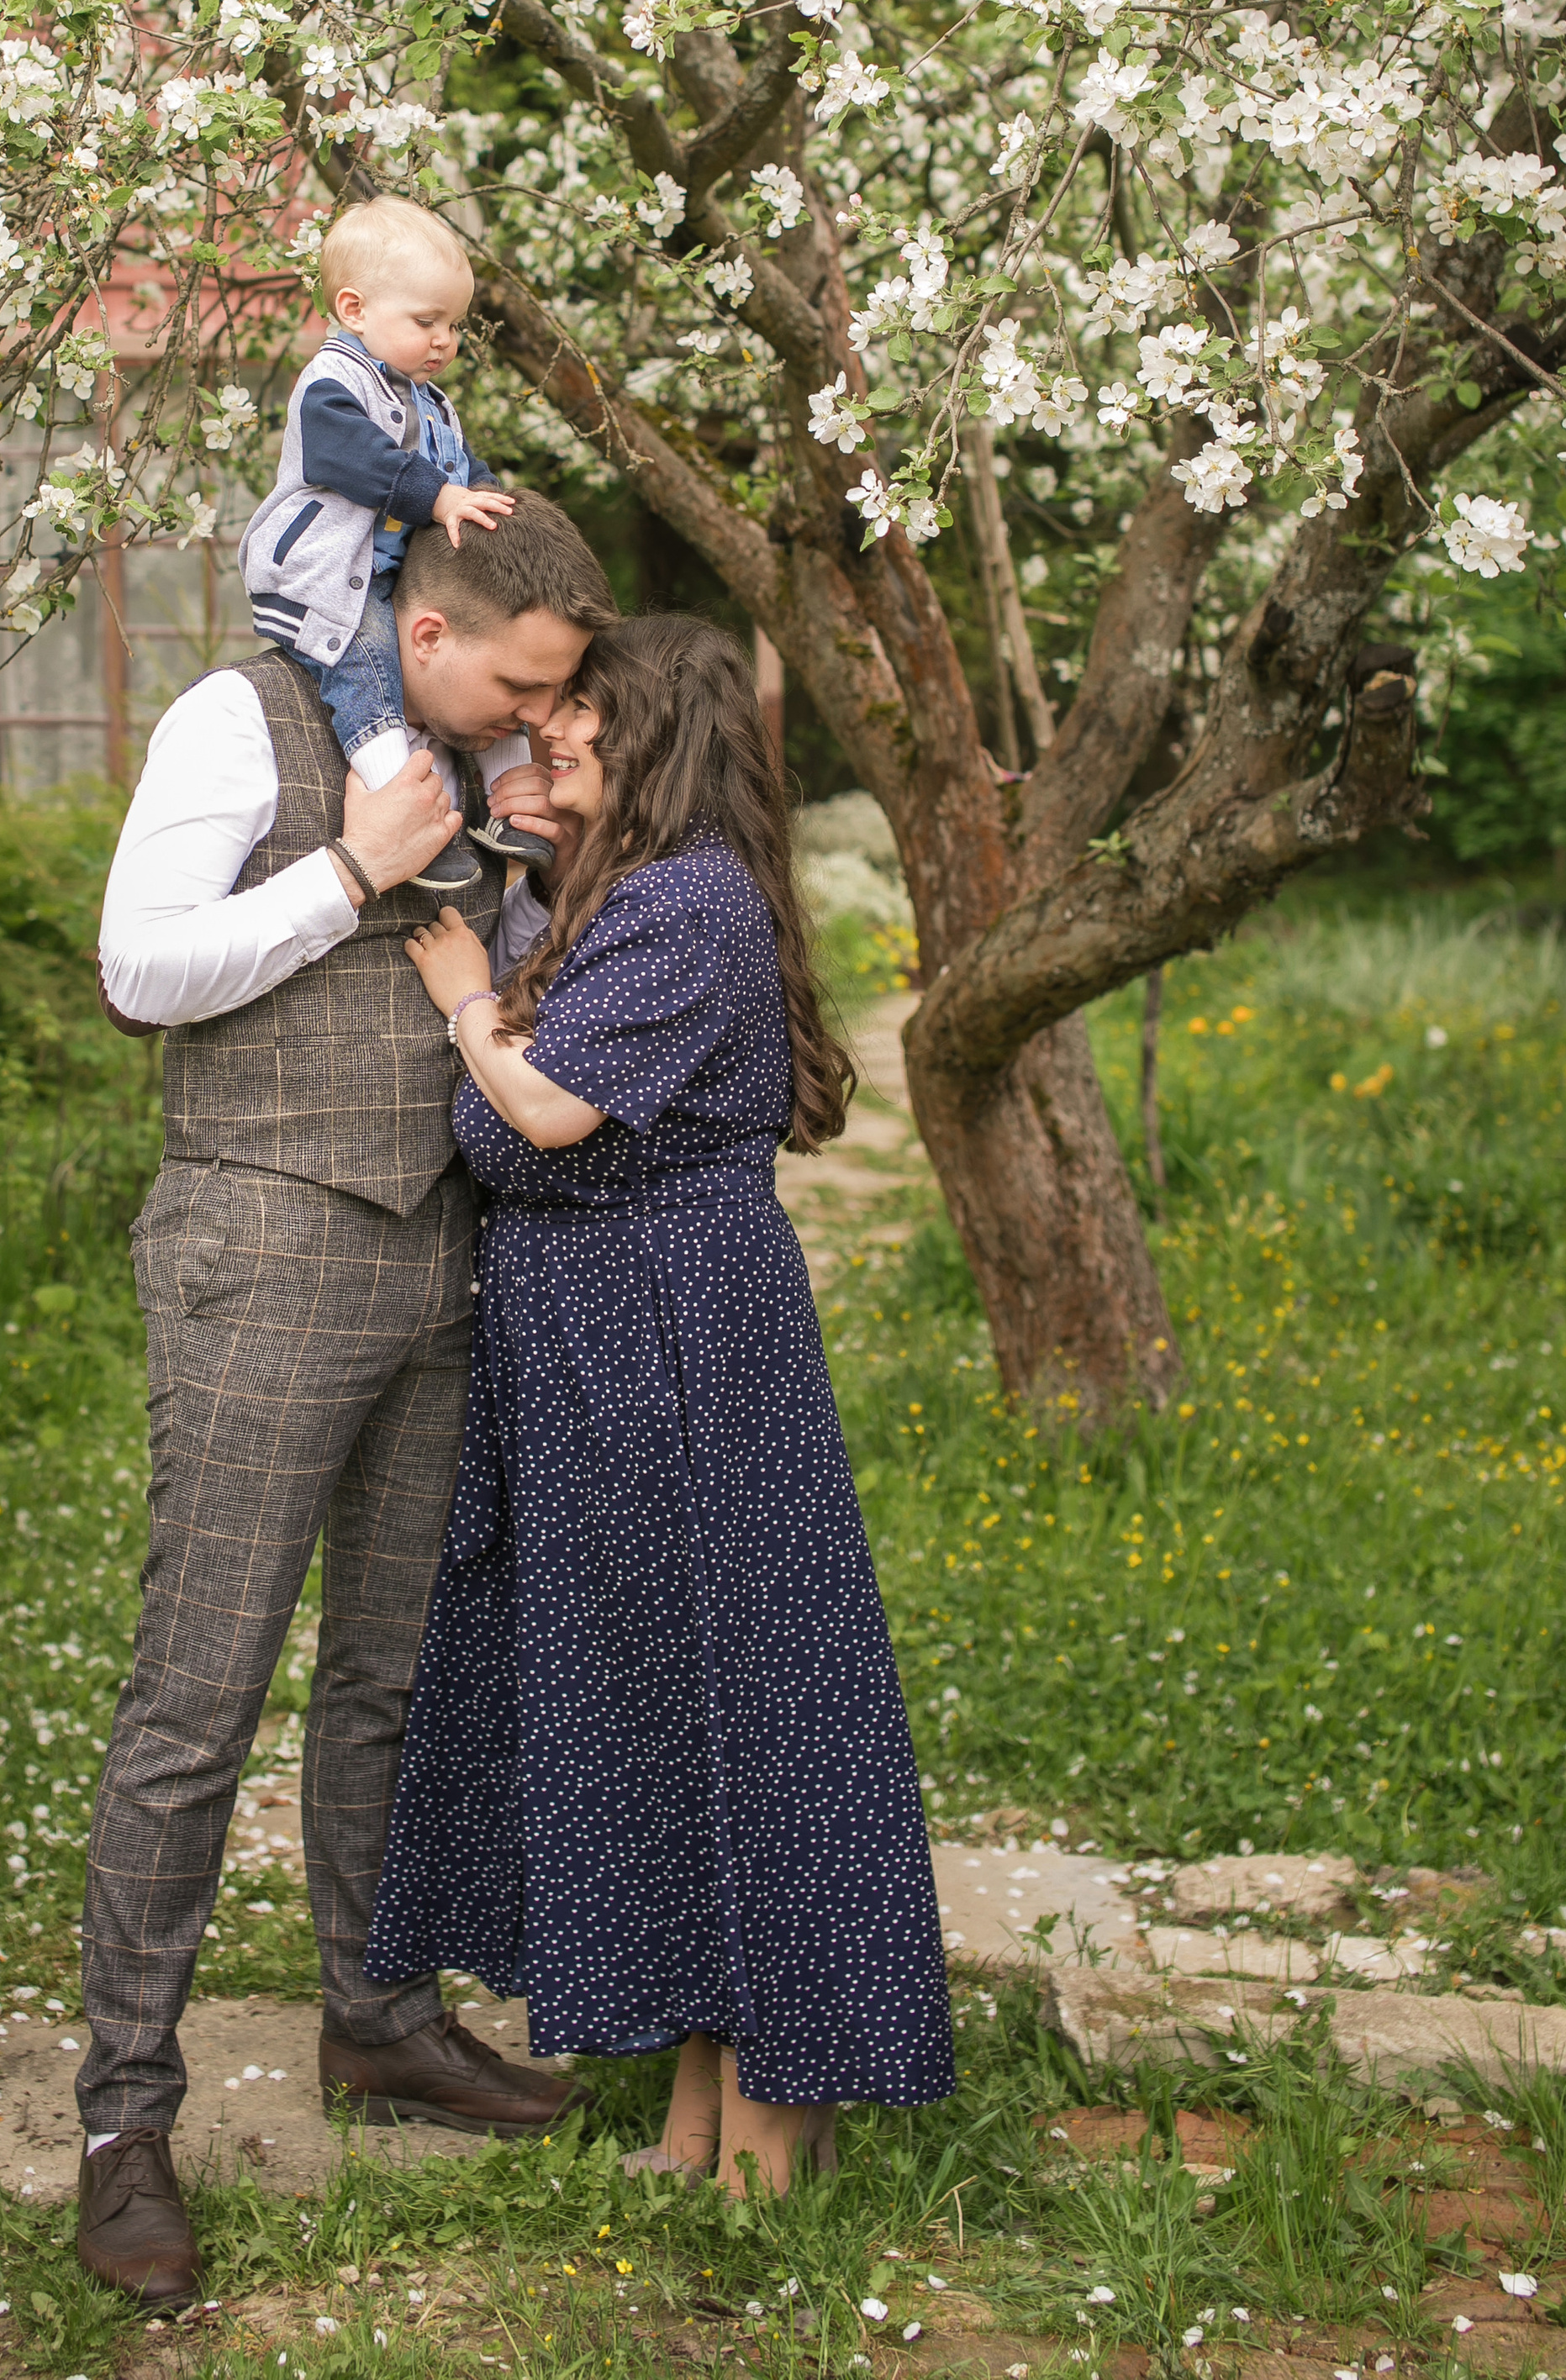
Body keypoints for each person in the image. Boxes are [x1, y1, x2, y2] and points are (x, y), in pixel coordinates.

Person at [76, 495, 616, 2309]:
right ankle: (120, 2122)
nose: (531, 721)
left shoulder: (485, 768)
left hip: (442, 1260)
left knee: (388, 1675)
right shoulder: (240, 719)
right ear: (431, 633)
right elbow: (140, 969)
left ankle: (376, 2023)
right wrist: (354, 869)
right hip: (261, 1248)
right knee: (196, 1694)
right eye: (519, 689)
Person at [367, 615, 955, 2196]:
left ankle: (784, 2121)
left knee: (747, 1716)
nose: (547, 737)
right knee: (681, 1721)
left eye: (580, 722)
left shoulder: (687, 899)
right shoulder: (617, 895)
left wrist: (461, 994)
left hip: (677, 1347)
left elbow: (547, 1110)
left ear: (659, 747)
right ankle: (713, 2121)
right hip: (608, 1349)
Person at [240, 192, 558, 892]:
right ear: (354, 310)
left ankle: (512, 813)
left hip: (393, 576)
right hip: (326, 576)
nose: (445, 340)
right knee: (370, 670)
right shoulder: (331, 385)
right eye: (427, 321)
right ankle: (403, 813)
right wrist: (440, 497)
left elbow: (464, 474)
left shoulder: (429, 402)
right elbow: (348, 459)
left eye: (454, 325)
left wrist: (504, 517)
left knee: (496, 668)